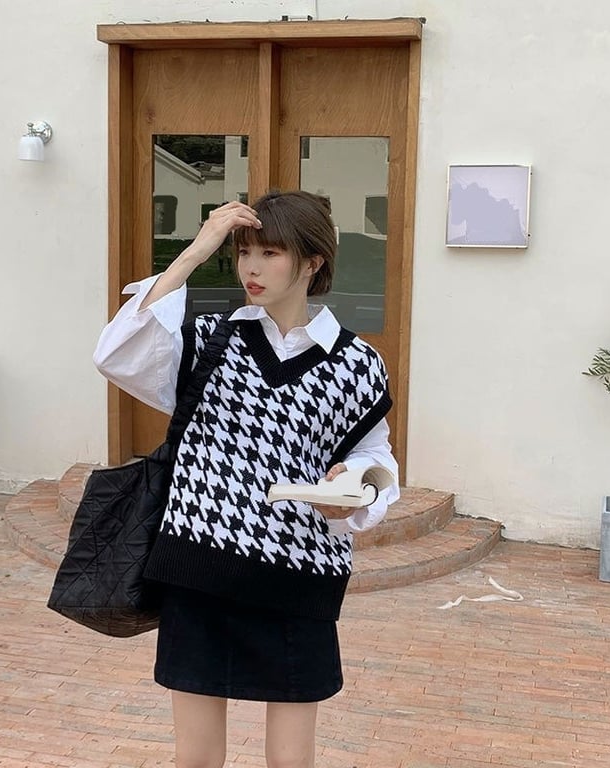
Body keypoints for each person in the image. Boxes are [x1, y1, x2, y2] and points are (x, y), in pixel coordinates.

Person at [93, 190, 399, 768]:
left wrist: (356, 489)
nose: (251, 269)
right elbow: (116, 353)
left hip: (299, 576)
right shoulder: (207, 341)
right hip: (199, 569)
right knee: (197, 759)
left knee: (290, 761)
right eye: (242, 253)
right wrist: (195, 251)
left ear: (312, 262)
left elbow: (375, 458)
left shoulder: (357, 364)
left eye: (270, 253)